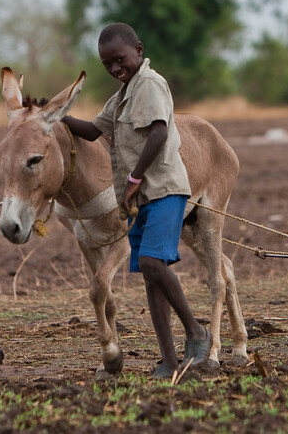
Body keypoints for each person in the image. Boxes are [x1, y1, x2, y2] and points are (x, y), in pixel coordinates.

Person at [62, 22, 211, 378]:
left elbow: (158, 131)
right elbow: (94, 130)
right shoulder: (122, 95)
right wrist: (55, 118)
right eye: (107, 65)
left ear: (138, 50)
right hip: (142, 199)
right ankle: (169, 361)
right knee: (149, 274)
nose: (115, 69)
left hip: (163, 189)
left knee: (152, 263)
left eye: (119, 59)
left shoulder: (151, 84)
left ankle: (196, 331)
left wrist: (134, 178)